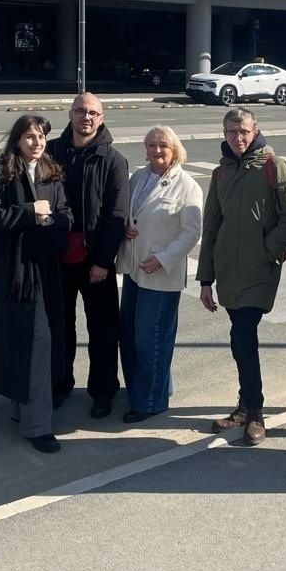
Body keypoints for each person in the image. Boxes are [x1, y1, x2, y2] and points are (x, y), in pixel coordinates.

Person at [198, 106, 286, 445]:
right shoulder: (221, 172)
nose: (238, 137)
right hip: (228, 270)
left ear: (255, 129)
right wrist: (205, 280)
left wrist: (267, 248)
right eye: (231, 131)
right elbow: (211, 226)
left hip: (259, 270)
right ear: (224, 133)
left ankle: (255, 413)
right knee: (239, 339)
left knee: (243, 336)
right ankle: (245, 406)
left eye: (243, 131)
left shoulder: (273, 166)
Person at [0, 114, 72, 453]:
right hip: (14, 272)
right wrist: (30, 212)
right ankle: (37, 426)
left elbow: (67, 215)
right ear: (17, 139)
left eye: (42, 137)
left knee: (39, 342)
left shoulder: (51, 172)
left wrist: (53, 220)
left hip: (45, 270)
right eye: (30, 136)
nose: (37, 142)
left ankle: (26, 409)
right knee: (31, 342)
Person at [47, 92, 130, 419]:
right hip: (56, 257)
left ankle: (103, 390)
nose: (86, 117)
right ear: (70, 113)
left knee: (103, 330)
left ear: (102, 117)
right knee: (59, 327)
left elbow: (117, 214)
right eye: (80, 111)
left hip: (95, 259)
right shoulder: (51, 151)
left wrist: (102, 262)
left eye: (93, 113)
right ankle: (60, 383)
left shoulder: (113, 160)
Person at [117, 126, 202, 425]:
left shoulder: (188, 186)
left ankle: (150, 402)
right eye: (151, 144)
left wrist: (164, 259)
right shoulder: (139, 177)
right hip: (134, 268)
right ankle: (148, 388)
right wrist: (126, 228)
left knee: (150, 339)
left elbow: (192, 233)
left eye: (162, 145)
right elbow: (133, 214)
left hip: (160, 273)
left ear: (175, 149)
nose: (156, 150)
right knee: (128, 334)